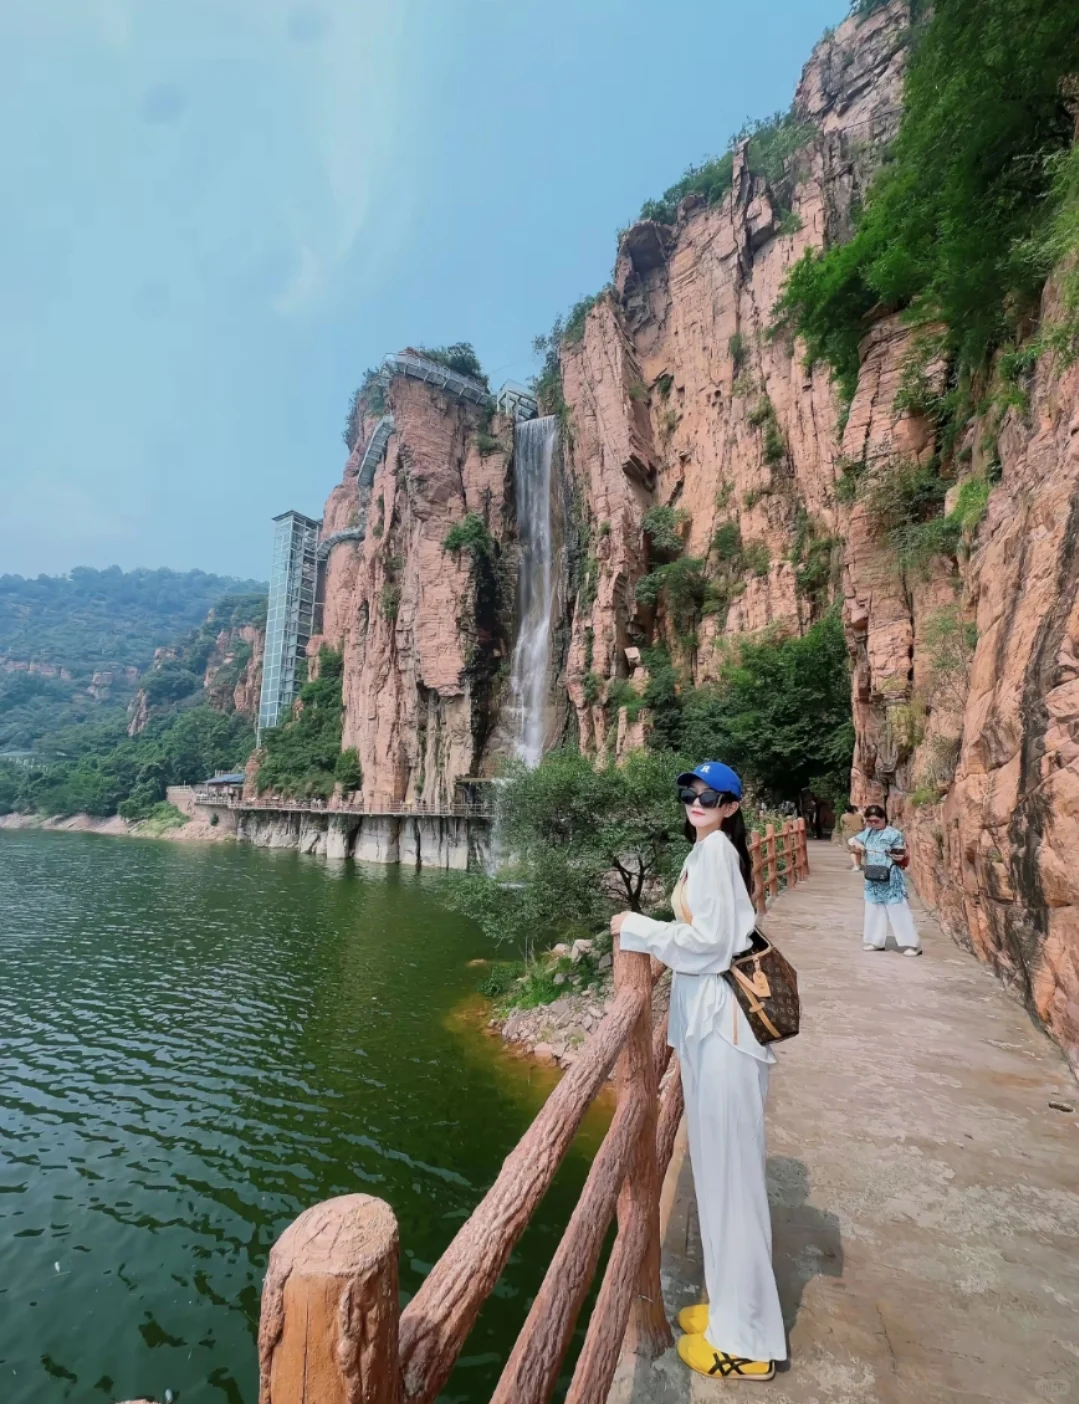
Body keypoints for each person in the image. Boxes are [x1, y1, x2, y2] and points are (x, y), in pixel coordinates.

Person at [610, 760, 785, 1381]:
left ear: (733, 805)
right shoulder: (709, 850)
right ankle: (732, 1312)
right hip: (717, 1030)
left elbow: (710, 944)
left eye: (710, 795)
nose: (696, 800)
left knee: (731, 1183)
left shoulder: (714, 855)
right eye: (689, 791)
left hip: (725, 1033)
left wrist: (636, 927)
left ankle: (750, 1344)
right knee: (717, 1176)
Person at [848, 804, 922, 956]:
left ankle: (912, 944)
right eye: (869, 821)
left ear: (883, 819)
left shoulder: (894, 834)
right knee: (873, 909)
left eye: (876, 821)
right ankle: (875, 941)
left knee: (898, 909)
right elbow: (853, 840)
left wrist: (895, 854)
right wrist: (858, 845)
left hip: (891, 877)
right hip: (873, 877)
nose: (873, 824)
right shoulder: (868, 833)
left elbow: (901, 852)